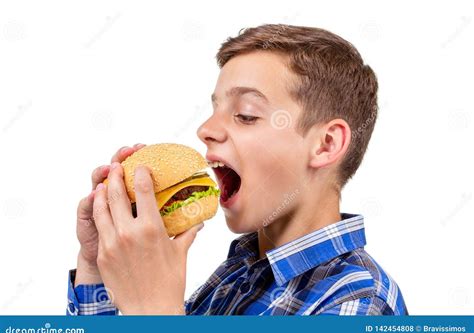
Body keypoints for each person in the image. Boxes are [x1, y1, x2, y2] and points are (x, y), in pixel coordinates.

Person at [67, 24, 407, 315]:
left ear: (326, 144)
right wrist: (99, 267)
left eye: (245, 114)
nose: (205, 129)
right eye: (215, 109)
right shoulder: (235, 277)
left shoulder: (360, 301)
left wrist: (157, 313)